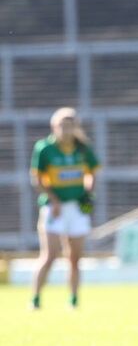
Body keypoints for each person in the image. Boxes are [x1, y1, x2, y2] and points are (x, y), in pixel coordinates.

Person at [30, 107, 99, 309]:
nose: (66, 130)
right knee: (50, 256)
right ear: (54, 127)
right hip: (54, 208)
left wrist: (88, 193)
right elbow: (37, 179)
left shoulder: (83, 148)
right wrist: (54, 199)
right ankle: (35, 298)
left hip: (76, 208)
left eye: (70, 126)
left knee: (74, 258)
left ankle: (74, 299)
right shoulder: (45, 148)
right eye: (62, 126)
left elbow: (92, 173)